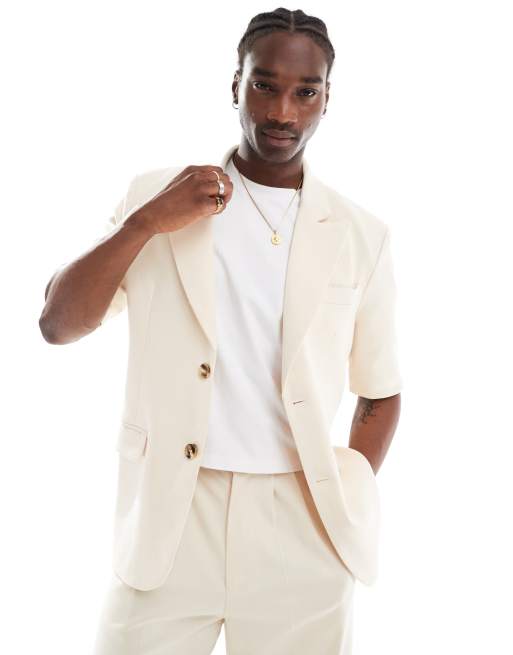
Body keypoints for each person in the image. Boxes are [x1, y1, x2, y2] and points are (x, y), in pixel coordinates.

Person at [39, 7, 402, 654]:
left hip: (300, 525)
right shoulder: (158, 196)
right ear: (235, 84)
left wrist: (336, 497)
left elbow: (379, 391)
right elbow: (58, 324)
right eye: (264, 84)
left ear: (327, 99)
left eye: (305, 91)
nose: (282, 111)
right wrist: (145, 223)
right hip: (173, 515)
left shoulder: (359, 234)